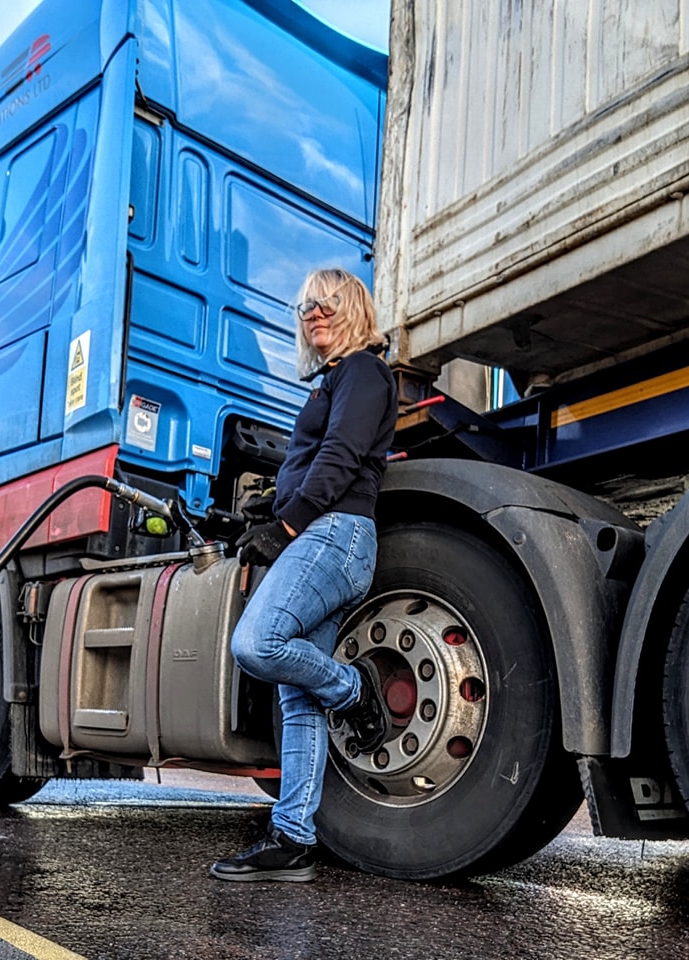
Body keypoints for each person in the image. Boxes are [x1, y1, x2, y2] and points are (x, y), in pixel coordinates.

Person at [210, 267, 398, 883]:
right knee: (297, 696)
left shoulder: (363, 371)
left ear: (353, 309)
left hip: (332, 536)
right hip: (325, 534)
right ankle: (293, 835)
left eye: (326, 303)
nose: (312, 313)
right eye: (304, 306)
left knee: (256, 645)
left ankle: (352, 688)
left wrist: (285, 525)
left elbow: (342, 456)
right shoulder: (333, 380)